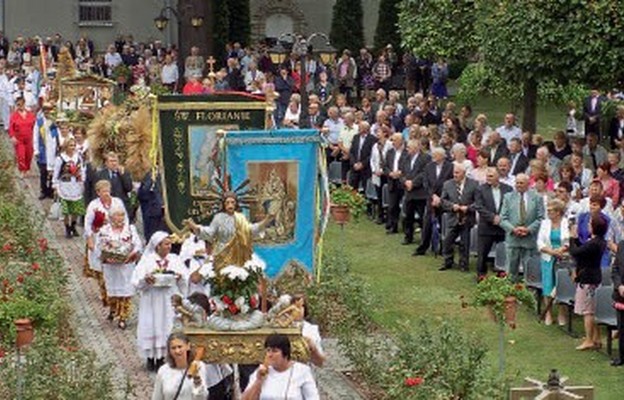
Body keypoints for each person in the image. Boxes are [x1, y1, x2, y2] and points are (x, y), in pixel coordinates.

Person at [133, 232, 188, 372]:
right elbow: (136, 282)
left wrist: (180, 277)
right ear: (157, 246)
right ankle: (151, 358)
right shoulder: (147, 260)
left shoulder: (175, 259)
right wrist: (146, 280)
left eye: (170, 244)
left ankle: (165, 357)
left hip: (169, 299)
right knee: (151, 324)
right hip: (152, 299)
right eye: (166, 244)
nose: (169, 247)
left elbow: (184, 278)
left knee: (167, 324)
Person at [185, 192, 272, 272]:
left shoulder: (241, 218)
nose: (230, 205)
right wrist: (195, 227)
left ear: (236, 204)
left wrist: (265, 221)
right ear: (224, 204)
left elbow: (250, 230)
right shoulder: (218, 218)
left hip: (238, 253)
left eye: (232, 202)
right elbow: (210, 233)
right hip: (222, 252)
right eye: (227, 202)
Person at [98, 205, 141, 329]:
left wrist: (132, 253)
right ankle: (113, 310)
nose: (120, 220)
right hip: (111, 266)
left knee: (126, 290)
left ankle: (123, 316)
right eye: (117, 217)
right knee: (112, 290)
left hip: (126, 266)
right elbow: (100, 246)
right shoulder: (105, 230)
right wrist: (106, 253)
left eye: (122, 217)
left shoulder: (130, 229)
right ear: (111, 218)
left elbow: (137, 244)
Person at [84, 179, 127, 301]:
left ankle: (115, 288)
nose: (106, 193)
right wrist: (90, 239)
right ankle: (104, 289)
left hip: (116, 237)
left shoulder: (117, 202)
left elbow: (126, 219)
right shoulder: (94, 205)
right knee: (101, 265)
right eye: (103, 191)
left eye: (108, 191)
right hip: (99, 238)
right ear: (98, 193)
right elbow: (88, 224)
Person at [569, 214, 607, 351]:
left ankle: (589, 339)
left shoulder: (594, 243)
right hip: (595, 277)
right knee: (592, 309)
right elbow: (583, 250)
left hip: (588, 279)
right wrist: (577, 241)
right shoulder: (599, 242)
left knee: (588, 311)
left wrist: (572, 238)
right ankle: (596, 338)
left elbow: (575, 252)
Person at [242, 334, 320, 400]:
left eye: (274, 351)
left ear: (285, 353)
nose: (270, 355)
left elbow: (313, 397)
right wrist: (258, 381)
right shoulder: (260, 372)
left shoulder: (302, 371)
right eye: (268, 350)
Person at [499, 174, 545, 282]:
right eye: (517, 183)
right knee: (510, 270)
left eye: (521, 183)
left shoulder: (537, 198)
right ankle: (509, 292)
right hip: (513, 238)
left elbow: (541, 218)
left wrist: (528, 229)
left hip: (529, 239)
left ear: (528, 184)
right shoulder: (508, 197)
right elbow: (503, 218)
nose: (518, 185)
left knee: (529, 270)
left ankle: (528, 292)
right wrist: (513, 229)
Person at [439, 163, 479, 272]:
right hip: (453, 218)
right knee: (447, 241)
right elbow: (443, 201)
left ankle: (463, 264)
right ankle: (448, 261)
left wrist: (469, 208)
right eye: (454, 172)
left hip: (467, 218)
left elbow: (479, 202)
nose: (455, 175)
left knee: (465, 243)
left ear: (464, 173)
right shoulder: (447, 184)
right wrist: (452, 206)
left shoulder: (474, 184)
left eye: (457, 173)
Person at [475, 167, 513, 279]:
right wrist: (492, 218)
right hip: (486, 227)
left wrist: (501, 218)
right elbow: (479, 206)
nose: (488, 178)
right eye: (487, 176)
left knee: (505, 253)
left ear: (498, 177)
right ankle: (481, 276)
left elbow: (511, 206)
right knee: (482, 254)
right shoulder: (480, 189)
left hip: (502, 227)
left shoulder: (508, 189)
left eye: (491, 176)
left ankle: (503, 275)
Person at [537, 199, 570, 325]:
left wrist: (560, 250)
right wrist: (551, 252)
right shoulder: (545, 223)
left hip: (563, 258)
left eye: (550, 210)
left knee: (561, 286)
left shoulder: (566, 223)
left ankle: (562, 314)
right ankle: (549, 314)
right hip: (547, 257)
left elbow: (568, 240)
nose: (548, 212)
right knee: (547, 286)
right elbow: (540, 242)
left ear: (558, 212)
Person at [152, 332, 209, 400]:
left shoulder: (199, 366)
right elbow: (157, 397)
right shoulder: (163, 370)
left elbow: (202, 397)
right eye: (173, 348)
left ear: (188, 346)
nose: (177, 351)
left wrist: (197, 378)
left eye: (180, 347)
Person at [52, 137, 86, 239]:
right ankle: (67, 228)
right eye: (71, 145)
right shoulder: (60, 158)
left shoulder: (78, 157)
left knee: (75, 208)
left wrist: (82, 180)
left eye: (74, 146)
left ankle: (73, 225)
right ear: (66, 146)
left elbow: (83, 169)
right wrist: (55, 185)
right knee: (66, 209)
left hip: (76, 185)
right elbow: (56, 172)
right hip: (64, 185)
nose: (73, 148)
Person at [400, 138, 431, 245]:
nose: (406, 149)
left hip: (420, 193)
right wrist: (405, 182)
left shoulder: (426, 158)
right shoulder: (405, 158)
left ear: (415, 148)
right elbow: (402, 172)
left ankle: (425, 238)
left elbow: (424, 173)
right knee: (408, 216)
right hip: (408, 192)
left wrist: (413, 183)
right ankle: (408, 236)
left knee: (422, 217)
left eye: (409, 147)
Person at [383, 133, 406, 234]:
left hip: (403, 182)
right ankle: (393, 225)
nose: (393, 143)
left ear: (401, 141)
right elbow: (385, 166)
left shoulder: (407, 153)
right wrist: (390, 173)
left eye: (395, 140)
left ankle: (407, 228)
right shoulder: (390, 152)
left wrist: (401, 173)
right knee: (392, 205)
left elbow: (409, 166)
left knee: (406, 206)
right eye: (392, 140)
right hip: (392, 181)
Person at [9, 97, 36, 177]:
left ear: (24, 104)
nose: (20, 106)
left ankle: (27, 168)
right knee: (21, 155)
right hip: (19, 138)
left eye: (21, 104)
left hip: (29, 138)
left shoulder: (30, 114)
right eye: (18, 105)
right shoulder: (14, 116)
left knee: (29, 154)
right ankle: (22, 170)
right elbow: (11, 127)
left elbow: (34, 126)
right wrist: (12, 136)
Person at [611, 239, 624, 366]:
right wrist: (619, 285)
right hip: (621, 296)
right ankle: (622, 357)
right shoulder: (621, 245)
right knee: (622, 327)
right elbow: (615, 269)